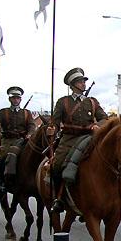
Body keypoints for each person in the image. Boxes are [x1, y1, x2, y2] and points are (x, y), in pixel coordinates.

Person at [49, 67, 108, 212]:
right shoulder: (63, 102)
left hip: (88, 138)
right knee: (56, 166)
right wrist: (51, 129)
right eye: (80, 81)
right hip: (69, 138)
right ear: (72, 85)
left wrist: (96, 125)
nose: (83, 83)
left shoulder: (92, 102)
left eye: (83, 81)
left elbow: (104, 119)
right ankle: (59, 198)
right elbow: (55, 122)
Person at [0, 86, 36, 190]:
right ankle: (3, 180)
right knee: (2, 158)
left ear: (20, 99)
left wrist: (30, 134)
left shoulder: (27, 113)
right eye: (13, 98)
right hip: (8, 141)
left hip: (23, 140)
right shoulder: (3, 112)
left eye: (18, 98)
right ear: (10, 99)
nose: (16, 100)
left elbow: (32, 126)